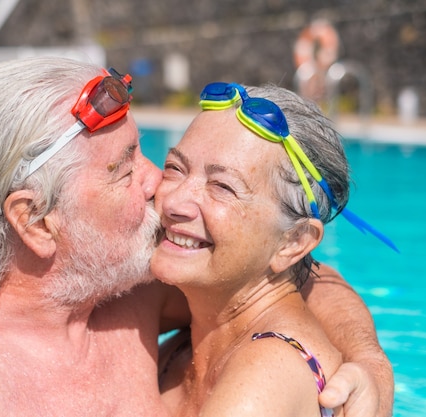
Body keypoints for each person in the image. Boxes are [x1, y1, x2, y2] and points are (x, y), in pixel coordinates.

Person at [0, 57, 392, 417]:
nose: (162, 190)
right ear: (35, 220)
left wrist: (368, 363)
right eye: (126, 168)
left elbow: (303, 276)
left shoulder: (134, 290)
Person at [154, 82, 397, 416]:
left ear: (293, 242)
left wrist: (372, 362)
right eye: (175, 168)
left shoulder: (266, 377)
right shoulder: (190, 343)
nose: (175, 202)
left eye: (223, 186)